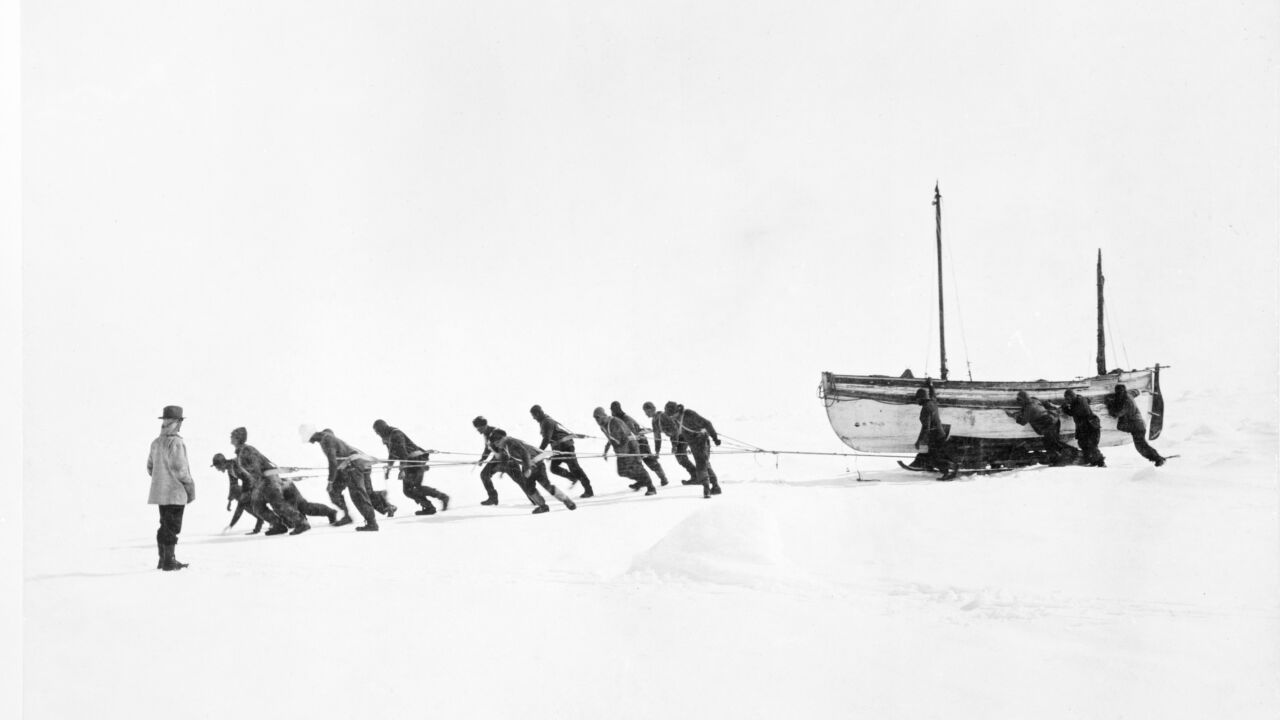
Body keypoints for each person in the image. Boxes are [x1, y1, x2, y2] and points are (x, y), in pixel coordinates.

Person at [232, 426, 317, 535]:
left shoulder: (246, 451)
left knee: (278, 505)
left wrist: (278, 473)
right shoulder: (243, 451)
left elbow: (260, 470)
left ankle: (301, 523)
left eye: (233, 436)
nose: (231, 439)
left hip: (267, 481)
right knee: (258, 506)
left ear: (237, 438)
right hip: (262, 482)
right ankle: (278, 525)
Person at [309, 428, 387, 531]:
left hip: (353, 465)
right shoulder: (333, 439)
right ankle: (348, 516)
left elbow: (332, 462)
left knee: (358, 494)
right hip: (352, 466)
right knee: (336, 491)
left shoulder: (327, 440)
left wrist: (330, 481)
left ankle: (372, 523)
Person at [147, 406, 196, 571]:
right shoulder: (176, 442)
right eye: (180, 421)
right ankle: (169, 561)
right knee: (172, 527)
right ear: (176, 422)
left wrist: (161, 479)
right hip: (175, 493)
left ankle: (163, 560)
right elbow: (181, 470)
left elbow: (149, 468)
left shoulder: (155, 442)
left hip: (160, 493)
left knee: (164, 525)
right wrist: (189, 487)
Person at [489, 428, 577, 514]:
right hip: (531, 465)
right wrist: (503, 470)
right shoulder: (506, 445)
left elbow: (524, 453)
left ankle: (565, 501)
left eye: (497, 442)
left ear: (503, 438)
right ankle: (545, 506)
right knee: (530, 487)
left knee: (544, 485)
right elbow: (507, 457)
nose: (496, 445)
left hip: (535, 465)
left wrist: (527, 469)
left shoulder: (512, 443)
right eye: (495, 443)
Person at [374, 419, 449, 515]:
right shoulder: (386, 437)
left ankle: (441, 499)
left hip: (416, 460)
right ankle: (429, 506)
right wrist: (389, 468)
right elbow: (392, 454)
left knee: (414, 487)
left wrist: (402, 470)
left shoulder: (396, 434)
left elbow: (402, 454)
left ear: (383, 428)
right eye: (376, 432)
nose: (377, 434)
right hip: (409, 462)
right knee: (408, 490)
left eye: (378, 431)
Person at [530, 404, 595, 498]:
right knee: (554, 468)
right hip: (558, 449)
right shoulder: (544, 421)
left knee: (576, 469)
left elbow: (546, 439)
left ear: (538, 413)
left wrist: (539, 452)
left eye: (534, 416)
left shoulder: (546, 422)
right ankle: (573, 478)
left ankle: (589, 491)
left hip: (566, 447)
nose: (533, 418)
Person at [212, 452, 282, 534]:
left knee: (248, 503)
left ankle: (273, 523)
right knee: (244, 501)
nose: (218, 469)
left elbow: (248, 479)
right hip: (253, 484)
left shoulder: (235, 465)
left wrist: (231, 525)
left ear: (222, 464)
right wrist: (230, 500)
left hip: (262, 481)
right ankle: (267, 522)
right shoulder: (230, 469)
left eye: (217, 467)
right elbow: (232, 485)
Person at [594, 407, 657, 495]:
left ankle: (651, 488)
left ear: (604, 415)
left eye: (598, 417)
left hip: (630, 447)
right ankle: (642, 481)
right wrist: (606, 451)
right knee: (622, 472)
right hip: (621, 451)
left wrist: (627, 452)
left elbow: (626, 437)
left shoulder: (615, 422)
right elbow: (611, 439)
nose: (597, 420)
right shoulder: (603, 426)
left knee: (638, 468)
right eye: (595, 418)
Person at [664, 401, 722, 497]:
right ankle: (715, 487)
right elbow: (676, 433)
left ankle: (706, 489)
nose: (672, 417)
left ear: (677, 411)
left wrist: (715, 438)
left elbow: (707, 423)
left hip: (701, 440)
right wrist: (674, 445)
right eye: (670, 416)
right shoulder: (676, 419)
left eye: (673, 415)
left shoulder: (689, 414)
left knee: (701, 463)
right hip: (692, 443)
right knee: (704, 463)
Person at [1105, 384, 1166, 466]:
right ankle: (1157, 458)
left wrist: (1109, 404)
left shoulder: (1126, 402)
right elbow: (1135, 392)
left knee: (1141, 446)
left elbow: (1116, 414)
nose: (1118, 394)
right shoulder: (1128, 395)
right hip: (1138, 425)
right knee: (1141, 445)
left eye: (1118, 393)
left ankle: (1157, 459)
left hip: (1136, 426)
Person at [611, 401, 669, 486]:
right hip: (631, 444)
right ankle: (642, 482)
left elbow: (633, 432)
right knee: (635, 464)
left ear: (616, 410)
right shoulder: (618, 419)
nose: (611, 413)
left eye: (613, 410)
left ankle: (663, 478)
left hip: (640, 441)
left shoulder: (625, 419)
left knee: (649, 461)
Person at [1012, 390, 1075, 465]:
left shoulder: (1029, 408)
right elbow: (1044, 403)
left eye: (1019, 400)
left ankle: (1069, 456)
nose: (1018, 402)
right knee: (1052, 443)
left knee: (1051, 444)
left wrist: (1014, 416)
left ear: (1023, 400)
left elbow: (1022, 422)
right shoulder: (1034, 399)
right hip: (1054, 420)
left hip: (1049, 425)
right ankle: (1060, 459)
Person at [643, 401, 697, 484]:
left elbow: (675, 430)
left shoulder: (662, 416)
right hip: (676, 437)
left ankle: (696, 476)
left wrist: (674, 445)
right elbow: (657, 438)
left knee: (681, 457)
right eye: (645, 412)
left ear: (653, 409)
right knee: (681, 458)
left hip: (682, 435)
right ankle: (696, 475)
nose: (646, 414)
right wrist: (657, 451)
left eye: (647, 411)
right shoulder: (654, 420)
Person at [914, 389, 958, 480]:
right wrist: (931, 385)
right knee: (936, 455)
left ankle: (947, 473)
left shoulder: (926, 408)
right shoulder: (933, 403)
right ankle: (949, 468)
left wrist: (919, 441)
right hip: (940, 433)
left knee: (934, 458)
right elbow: (933, 396)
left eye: (917, 398)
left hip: (935, 436)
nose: (916, 400)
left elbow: (926, 427)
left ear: (922, 398)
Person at [1058, 390, 1106, 467]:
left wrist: (1065, 407)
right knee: (1083, 444)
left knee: (1091, 445)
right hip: (1085, 426)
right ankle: (1092, 461)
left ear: (1072, 397)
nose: (1067, 401)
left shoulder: (1080, 403)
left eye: (1068, 399)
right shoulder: (1078, 399)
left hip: (1090, 426)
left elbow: (1073, 412)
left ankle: (1101, 462)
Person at [471, 416, 507, 505]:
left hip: (507, 458)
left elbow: (505, 447)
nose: (478, 431)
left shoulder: (496, 433)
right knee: (484, 475)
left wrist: (503, 462)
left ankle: (534, 500)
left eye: (479, 428)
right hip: (497, 458)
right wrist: (482, 459)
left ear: (485, 426)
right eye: (477, 429)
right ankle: (493, 498)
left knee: (520, 480)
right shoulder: (486, 434)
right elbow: (488, 448)